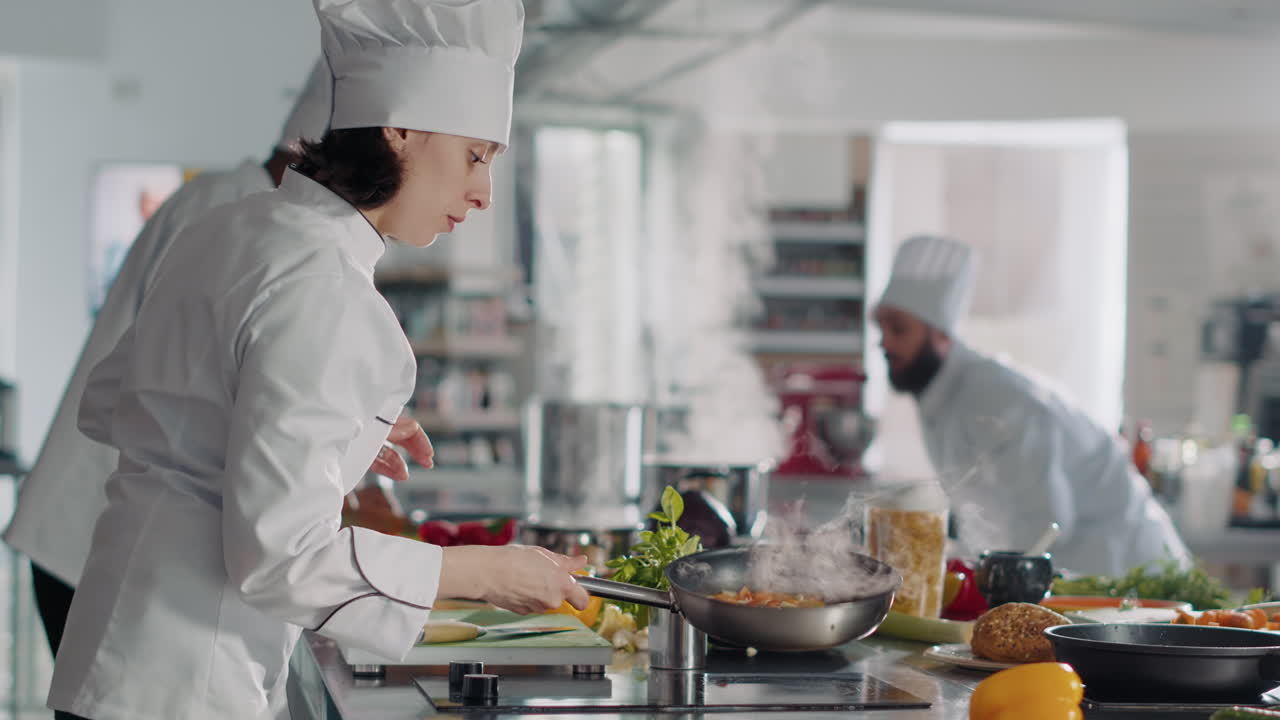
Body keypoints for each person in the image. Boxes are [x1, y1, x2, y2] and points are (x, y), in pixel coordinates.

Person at [47, 2, 588, 718]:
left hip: (111, 661)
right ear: (400, 128)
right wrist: (486, 571)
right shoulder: (328, 289)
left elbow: (115, 401)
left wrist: (326, 433)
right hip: (190, 684)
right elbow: (282, 560)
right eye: (475, 156)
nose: (484, 192)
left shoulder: (230, 226)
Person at [0, 59, 427, 662]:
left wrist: (334, 432)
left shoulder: (236, 208)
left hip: (114, 532)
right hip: (94, 527)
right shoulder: (258, 223)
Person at [872, 234, 1191, 577]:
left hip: (1131, 571)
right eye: (882, 328)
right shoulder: (937, 393)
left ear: (941, 335)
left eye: (899, 329)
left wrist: (985, 581)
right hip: (1081, 577)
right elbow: (983, 511)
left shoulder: (997, 398)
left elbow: (1045, 521)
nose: (884, 343)